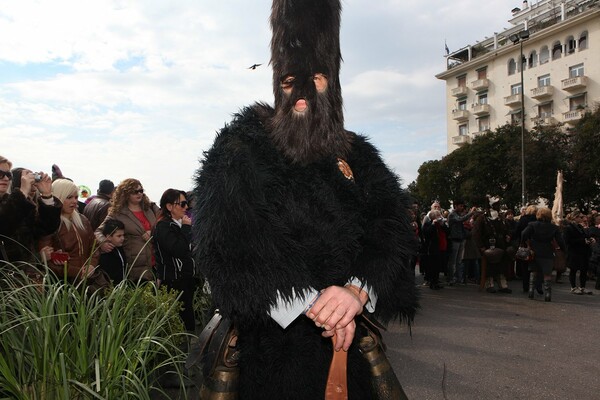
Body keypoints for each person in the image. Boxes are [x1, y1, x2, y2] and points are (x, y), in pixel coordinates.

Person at [192, 1, 417, 398]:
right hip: (269, 359)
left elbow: (393, 232)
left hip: (351, 359)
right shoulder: (240, 147)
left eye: (316, 78)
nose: (302, 96)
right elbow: (224, 246)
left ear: (334, 83)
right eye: (289, 81)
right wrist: (319, 308)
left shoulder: (358, 156)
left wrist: (357, 292)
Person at [0, 157, 61, 266]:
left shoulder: (17, 203)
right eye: (0, 174)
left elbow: (44, 229)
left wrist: (47, 196)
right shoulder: (16, 202)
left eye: (8, 175)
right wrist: (22, 192)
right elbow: (4, 226)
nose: (5, 178)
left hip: (19, 276)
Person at [95, 178, 159, 282]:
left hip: (154, 262)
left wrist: (153, 232)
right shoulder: (117, 213)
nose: (139, 194)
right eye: (134, 192)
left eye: (141, 191)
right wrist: (103, 242)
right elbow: (98, 231)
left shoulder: (149, 209)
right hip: (133, 264)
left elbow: (160, 226)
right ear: (126, 194)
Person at [153, 189, 196, 332]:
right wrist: (186, 228)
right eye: (182, 204)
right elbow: (178, 249)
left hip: (185, 278)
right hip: (173, 280)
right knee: (181, 323)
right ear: (169, 206)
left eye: (187, 204)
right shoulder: (163, 226)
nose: (186, 207)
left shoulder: (176, 224)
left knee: (189, 319)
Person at [38, 179, 99, 280]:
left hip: (87, 281)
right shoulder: (49, 223)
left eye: (76, 197)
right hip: (62, 284)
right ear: (58, 196)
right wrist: (77, 272)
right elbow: (47, 260)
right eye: (69, 197)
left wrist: (91, 266)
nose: (74, 201)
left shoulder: (82, 220)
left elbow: (95, 246)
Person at [521, 207, 566, 302]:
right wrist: (563, 250)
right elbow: (560, 241)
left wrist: (525, 243)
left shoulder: (532, 224)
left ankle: (531, 291)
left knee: (534, 271)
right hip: (547, 252)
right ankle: (548, 294)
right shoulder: (554, 227)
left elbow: (523, 234)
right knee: (547, 274)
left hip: (534, 251)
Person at [473, 196, 512, 294]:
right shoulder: (482, 218)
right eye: (496, 205)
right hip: (487, 245)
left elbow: (507, 229)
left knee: (502, 266)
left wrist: (508, 235)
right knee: (489, 267)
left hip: (501, 245)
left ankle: (503, 285)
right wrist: (481, 246)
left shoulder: (501, 217)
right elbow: (476, 233)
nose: (498, 206)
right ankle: (489, 284)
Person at [447, 200, 476, 284]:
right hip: (454, 239)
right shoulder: (452, 215)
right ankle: (451, 278)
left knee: (459, 261)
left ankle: (458, 278)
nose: (462, 208)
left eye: (462, 206)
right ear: (455, 206)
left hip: (461, 239)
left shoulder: (458, 214)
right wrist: (470, 213)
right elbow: (460, 220)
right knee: (453, 261)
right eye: (460, 206)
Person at [564, 211, 593, 295]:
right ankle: (573, 287)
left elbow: (584, 236)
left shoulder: (580, 226)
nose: (583, 219)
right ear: (575, 218)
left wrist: (590, 239)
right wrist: (582, 241)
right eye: (580, 217)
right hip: (574, 252)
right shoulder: (568, 227)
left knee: (584, 270)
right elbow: (568, 240)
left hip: (583, 252)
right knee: (573, 270)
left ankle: (582, 287)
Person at [421, 209, 449, 290]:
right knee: (433, 266)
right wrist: (433, 224)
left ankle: (436, 281)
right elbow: (426, 233)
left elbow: (448, 231)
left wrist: (443, 224)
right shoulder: (428, 224)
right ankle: (432, 282)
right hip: (433, 248)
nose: (440, 217)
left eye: (440, 215)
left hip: (441, 247)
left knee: (438, 266)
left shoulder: (441, 224)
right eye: (438, 215)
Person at [513, 205, 538, 291]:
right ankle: (536, 285)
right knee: (535, 265)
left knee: (525, 265)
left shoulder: (523, 219)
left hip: (524, 244)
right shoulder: (538, 220)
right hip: (536, 244)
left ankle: (526, 285)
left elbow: (517, 231)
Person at [98, 219, 127, 284]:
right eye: (119, 236)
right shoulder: (104, 254)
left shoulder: (119, 248)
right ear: (109, 237)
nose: (122, 238)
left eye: (123, 235)